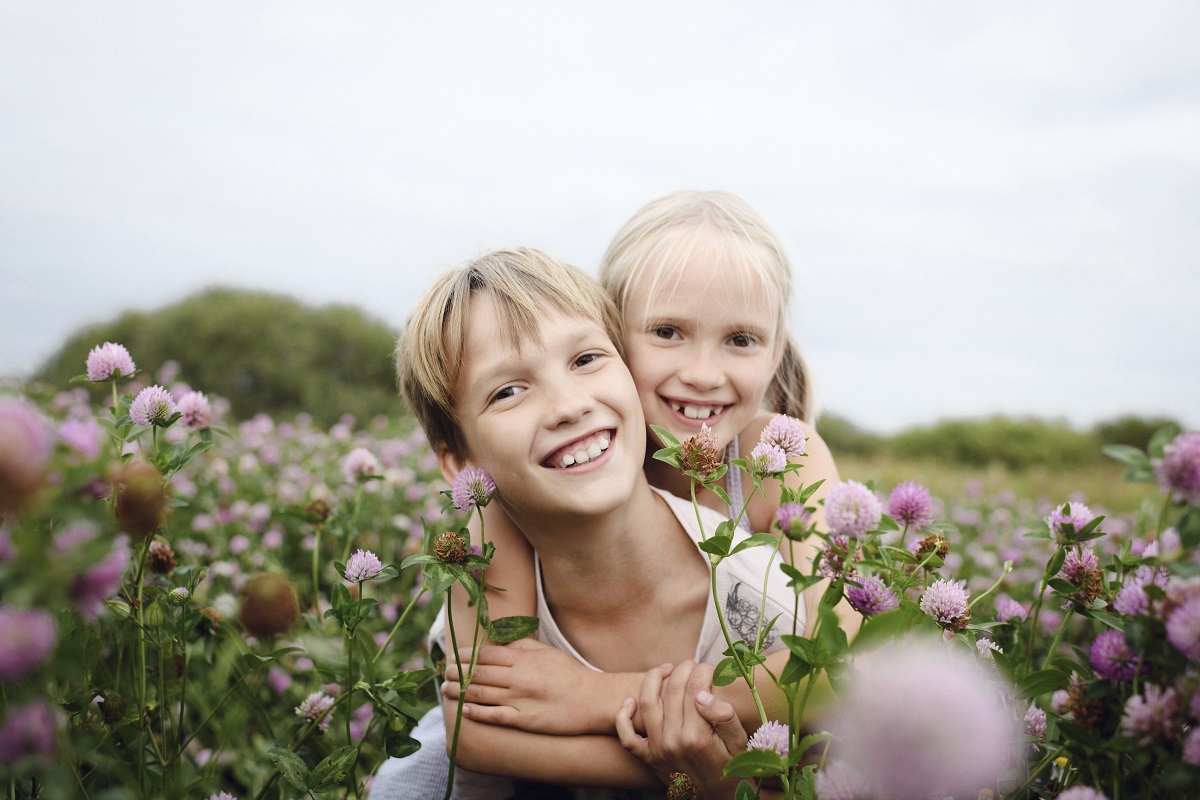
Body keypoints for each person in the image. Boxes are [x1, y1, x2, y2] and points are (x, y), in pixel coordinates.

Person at [381, 248, 807, 798]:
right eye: (507, 391)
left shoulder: (764, 600)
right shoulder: (488, 563)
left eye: (585, 360)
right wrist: (694, 771)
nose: (567, 405)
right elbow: (476, 745)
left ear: (631, 374)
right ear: (461, 464)